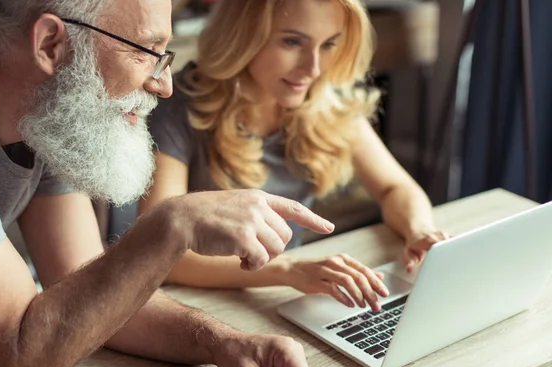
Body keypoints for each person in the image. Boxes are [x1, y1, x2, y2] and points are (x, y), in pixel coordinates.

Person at [0, 1, 371, 367]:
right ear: (50, 45)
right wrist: (172, 224)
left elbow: (87, 298)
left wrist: (225, 344)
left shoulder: (46, 110)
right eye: (146, 51)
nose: (163, 84)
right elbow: (24, 355)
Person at [139, 0, 449, 310]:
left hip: (280, 296)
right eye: (292, 42)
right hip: (200, 302)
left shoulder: (324, 98)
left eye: (328, 45)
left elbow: (395, 187)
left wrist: (419, 230)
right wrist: (288, 270)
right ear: (243, 35)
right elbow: (164, 253)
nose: (312, 68)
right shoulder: (178, 108)